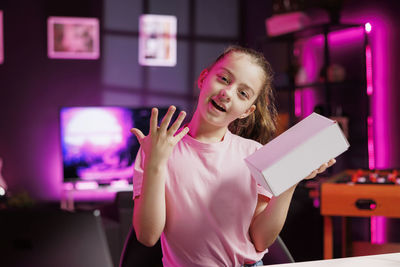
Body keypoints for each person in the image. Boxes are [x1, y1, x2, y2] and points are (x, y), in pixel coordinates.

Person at [130, 46, 336, 267]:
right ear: (203, 78)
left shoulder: (254, 153)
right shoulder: (157, 149)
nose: (227, 93)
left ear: (247, 110)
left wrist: (289, 181)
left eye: (243, 93)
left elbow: (261, 240)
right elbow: (147, 235)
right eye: (224, 79)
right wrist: (156, 164)